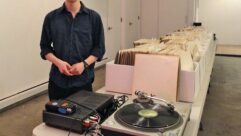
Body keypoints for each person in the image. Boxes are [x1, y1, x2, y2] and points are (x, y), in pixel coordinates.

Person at [40, 0, 105, 100]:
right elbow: (45, 47)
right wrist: (58, 63)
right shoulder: (51, 18)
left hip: (83, 81)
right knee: (56, 115)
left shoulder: (94, 18)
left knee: (82, 115)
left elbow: (99, 48)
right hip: (57, 81)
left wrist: (84, 64)